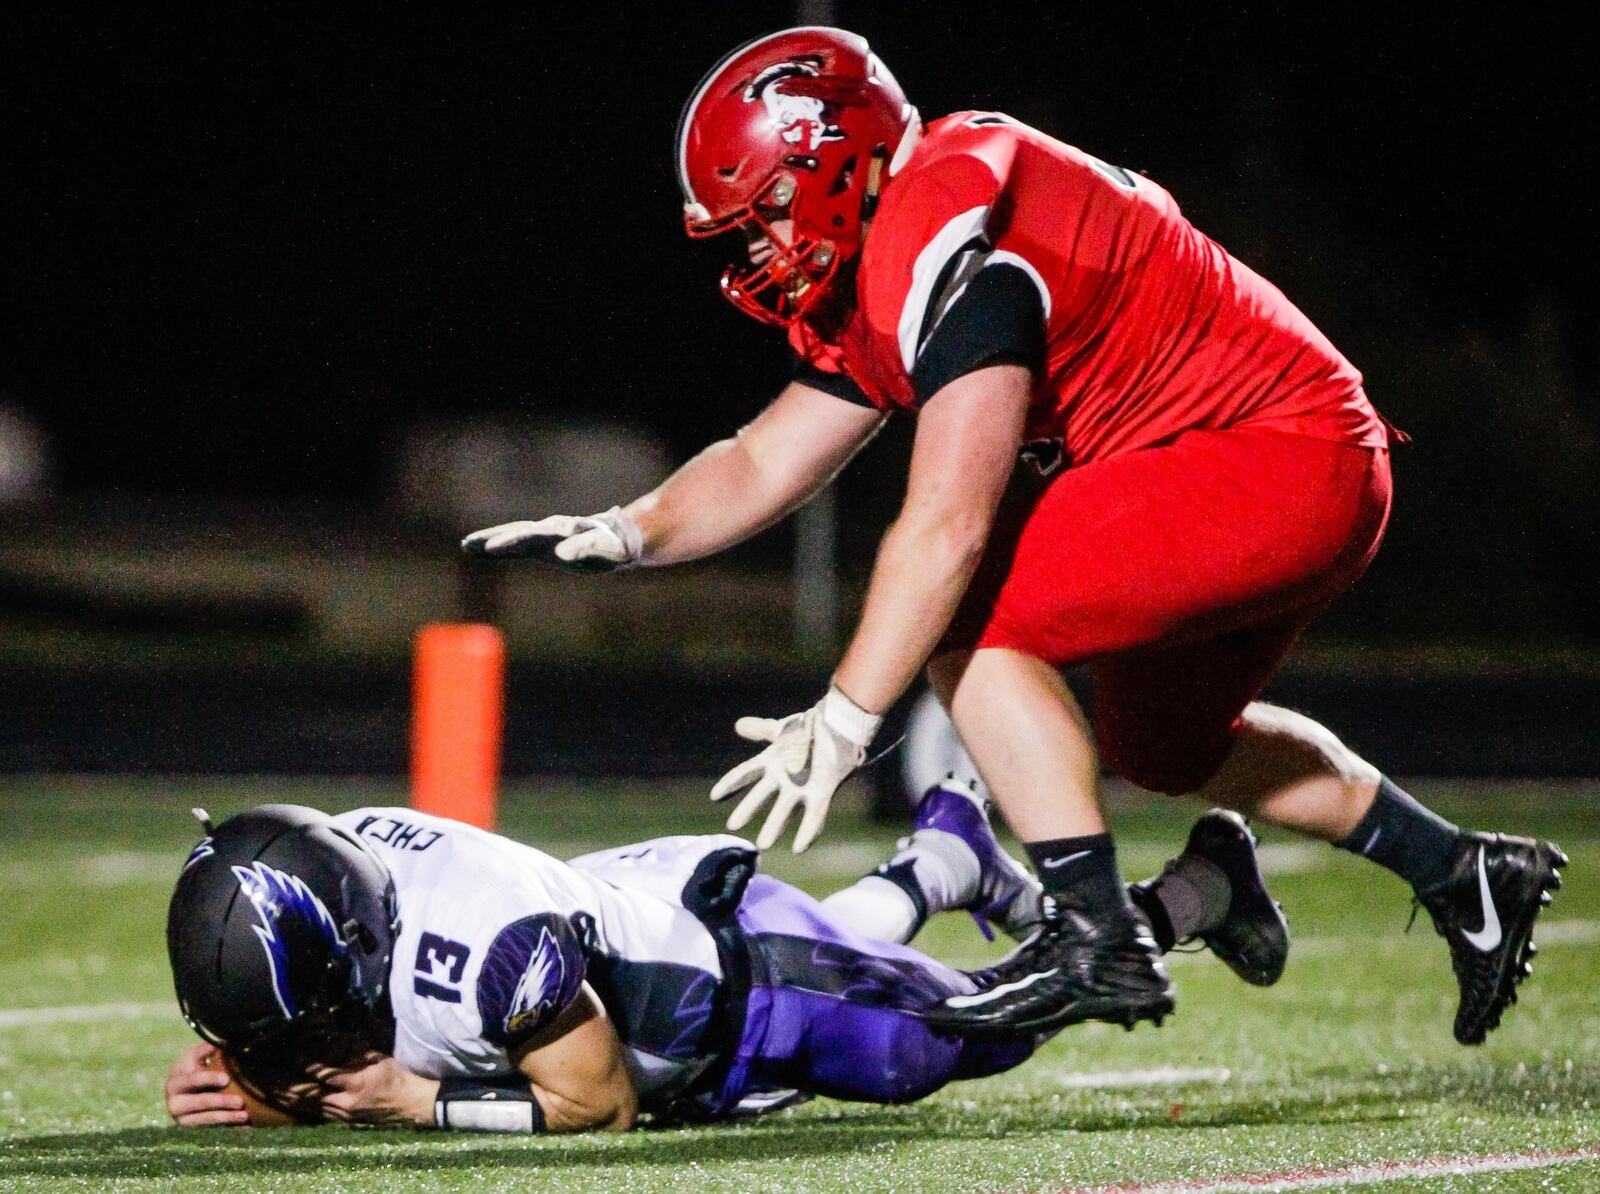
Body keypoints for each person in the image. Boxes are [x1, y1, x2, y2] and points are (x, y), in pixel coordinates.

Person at [460, 27, 1565, 1046]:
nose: (763, 240)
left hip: (1269, 454)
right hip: (1290, 463)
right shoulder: (896, 251)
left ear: (838, 159)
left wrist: (847, 717)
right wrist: (628, 527)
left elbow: (947, 523)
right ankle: (1459, 869)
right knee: (1164, 751)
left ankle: (1097, 940)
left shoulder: (946, 228)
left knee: (976, 631)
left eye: (771, 204)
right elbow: (762, 459)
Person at [165, 789, 1286, 1130]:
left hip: (751, 995)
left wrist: (414, 1100)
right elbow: (313, 991)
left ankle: (1200, 889)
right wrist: (259, 1075)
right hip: (650, 922)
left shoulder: (487, 944)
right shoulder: (346, 868)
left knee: (973, 1032)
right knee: (859, 953)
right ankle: (943, 855)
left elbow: (596, 1105)